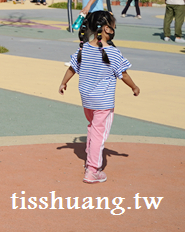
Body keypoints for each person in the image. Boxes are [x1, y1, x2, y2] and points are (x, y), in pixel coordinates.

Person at [58, 10, 140, 183]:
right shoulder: (114, 53)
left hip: (86, 99)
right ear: (106, 29)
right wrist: (134, 86)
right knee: (99, 135)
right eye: (113, 26)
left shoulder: (84, 48)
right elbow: (123, 75)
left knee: (92, 127)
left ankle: (90, 158)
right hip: (103, 102)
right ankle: (93, 170)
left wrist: (63, 83)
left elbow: (72, 68)